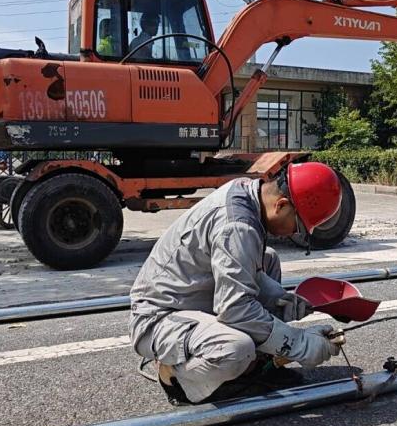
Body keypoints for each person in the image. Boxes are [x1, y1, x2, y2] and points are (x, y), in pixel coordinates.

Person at [129, 162, 344, 405]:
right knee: (235, 348)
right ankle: (178, 379)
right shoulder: (237, 225)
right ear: (281, 205)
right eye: (298, 226)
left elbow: (241, 277)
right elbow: (235, 309)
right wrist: (298, 343)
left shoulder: (248, 193)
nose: (293, 233)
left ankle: (257, 367)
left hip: (193, 299)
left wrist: (279, 299)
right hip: (159, 317)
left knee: (268, 259)